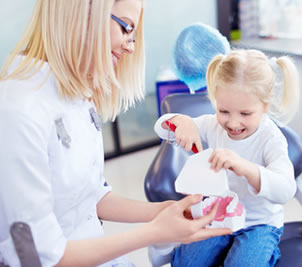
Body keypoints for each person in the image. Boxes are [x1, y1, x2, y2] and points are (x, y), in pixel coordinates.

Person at [0, 1, 232, 266]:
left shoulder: (76, 96)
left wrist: (163, 211)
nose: (131, 47)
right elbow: (42, 257)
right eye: (126, 29)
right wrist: (155, 232)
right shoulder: (18, 110)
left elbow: (93, 196)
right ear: (82, 12)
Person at [154, 49, 300, 266]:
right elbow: (162, 128)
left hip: (259, 224)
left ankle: (267, 253)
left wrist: (246, 168)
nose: (232, 123)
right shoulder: (213, 124)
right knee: (186, 263)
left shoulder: (271, 139)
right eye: (224, 111)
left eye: (245, 114)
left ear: (265, 106)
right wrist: (179, 121)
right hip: (219, 214)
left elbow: (286, 190)